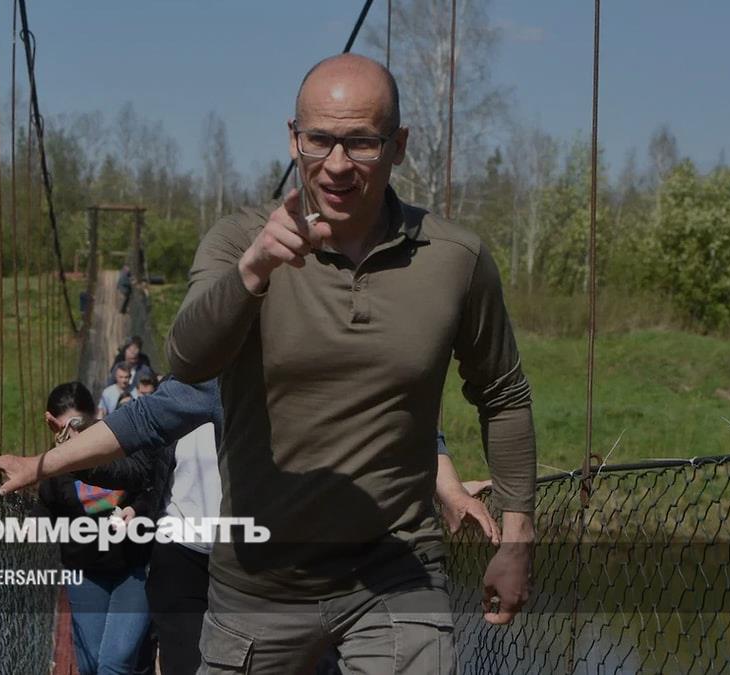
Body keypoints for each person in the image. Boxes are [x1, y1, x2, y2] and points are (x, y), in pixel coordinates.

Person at [164, 53, 536, 673]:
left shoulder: (455, 259)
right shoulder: (239, 242)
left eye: (362, 142)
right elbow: (187, 360)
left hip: (398, 573)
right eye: (319, 140)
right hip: (261, 581)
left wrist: (518, 538)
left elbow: (503, 393)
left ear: (399, 146)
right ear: (294, 139)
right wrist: (253, 271)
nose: (337, 164)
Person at [0, 378, 500, 675]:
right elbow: (129, 459)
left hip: (259, 560)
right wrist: (44, 464)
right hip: (180, 555)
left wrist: (445, 488)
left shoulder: (292, 382)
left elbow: (390, 426)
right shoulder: (189, 393)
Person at [32, 382, 156, 675]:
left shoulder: (123, 446)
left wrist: (137, 509)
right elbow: (42, 517)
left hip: (134, 568)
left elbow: (154, 486)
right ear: (52, 425)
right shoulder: (52, 470)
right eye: (64, 428)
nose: (72, 435)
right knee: (90, 666)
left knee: (115, 662)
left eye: (79, 426)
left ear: (96, 416)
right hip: (85, 573)